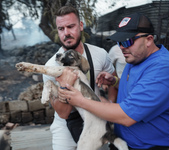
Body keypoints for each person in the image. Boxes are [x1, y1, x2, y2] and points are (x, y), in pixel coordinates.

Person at [56, 12, 169, 150]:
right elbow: (140, 88)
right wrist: (115, 82)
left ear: (148, 39)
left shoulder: (162, 69)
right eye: (119, 42)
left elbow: (126, 116)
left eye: (127, 41)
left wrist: (80, 101)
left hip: (149, 146)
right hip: (124, 142)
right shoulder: (136, 57)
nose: (122, 47)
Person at [42, 5, 116, 150]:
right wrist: (65, 84)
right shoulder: (51, 66)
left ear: (81, 26)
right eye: (61, 29)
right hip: (65, 127)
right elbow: (63, 113)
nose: (66, 33)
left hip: (95, 119)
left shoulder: (99, 54)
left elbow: (113, 80)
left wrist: (110, 105)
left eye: (71, 26)